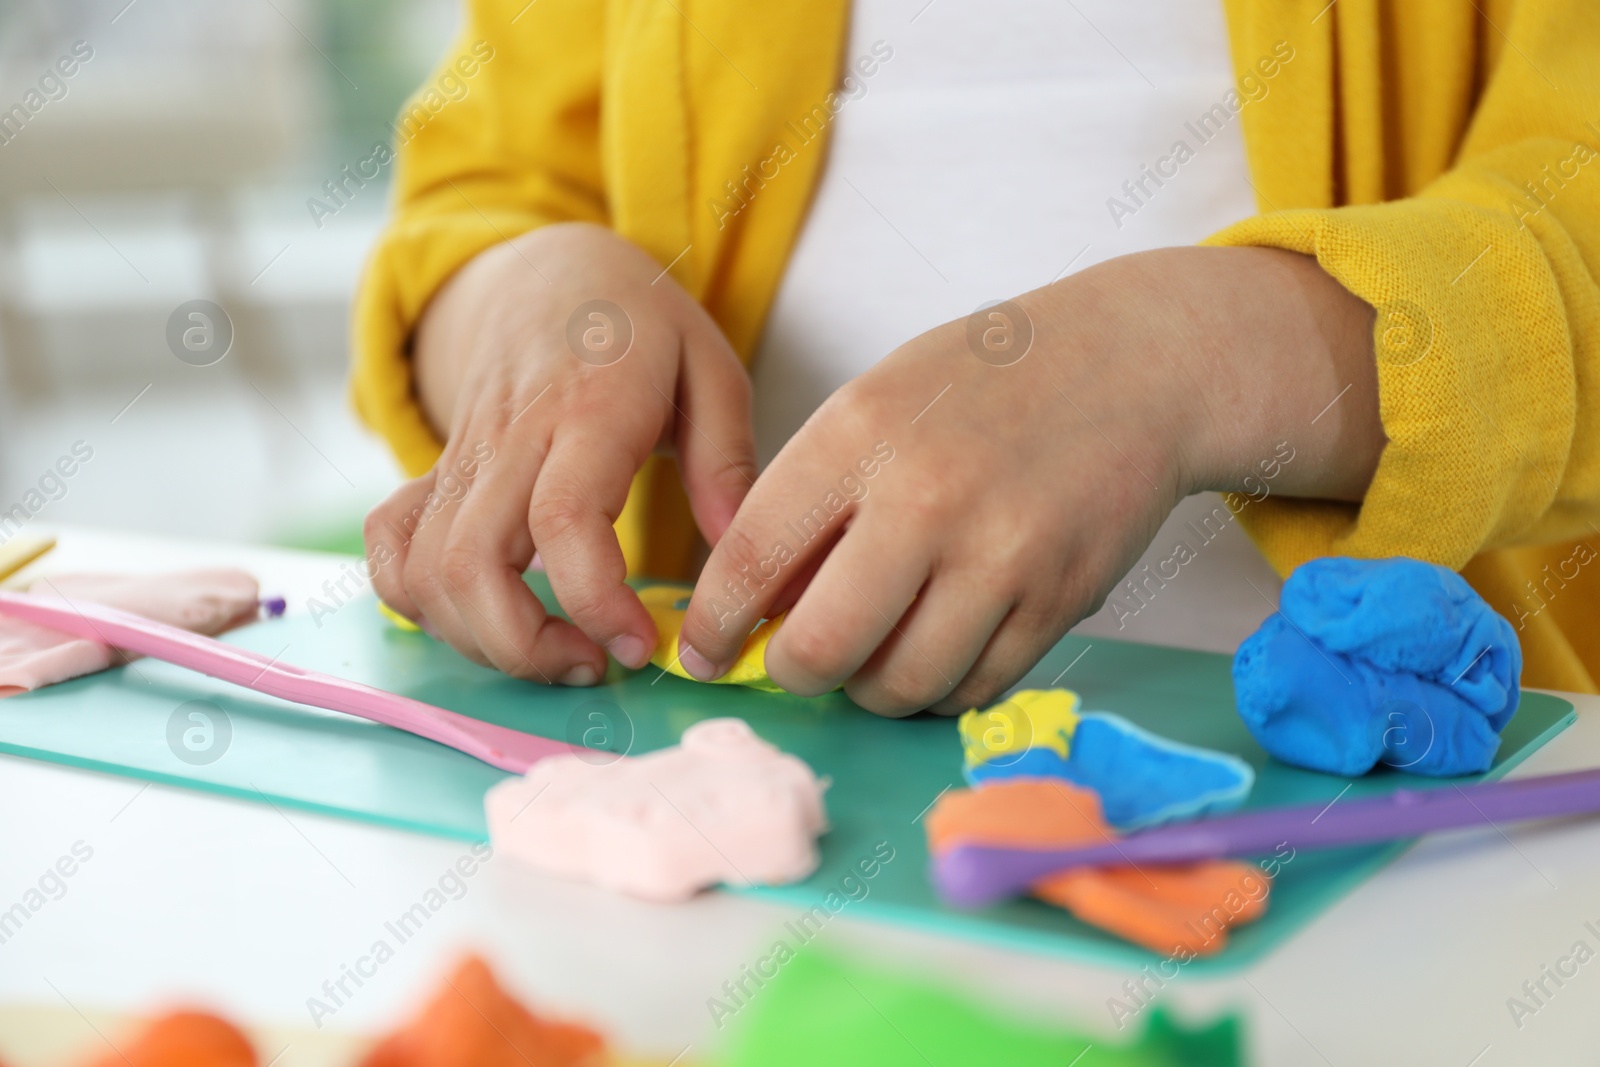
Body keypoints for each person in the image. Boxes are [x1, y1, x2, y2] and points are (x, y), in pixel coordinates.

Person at [352, 0, 1600, 714]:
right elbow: (487, 184)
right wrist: (525, 293)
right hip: (749, 821)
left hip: (1407, 873)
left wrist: (1190, 354)